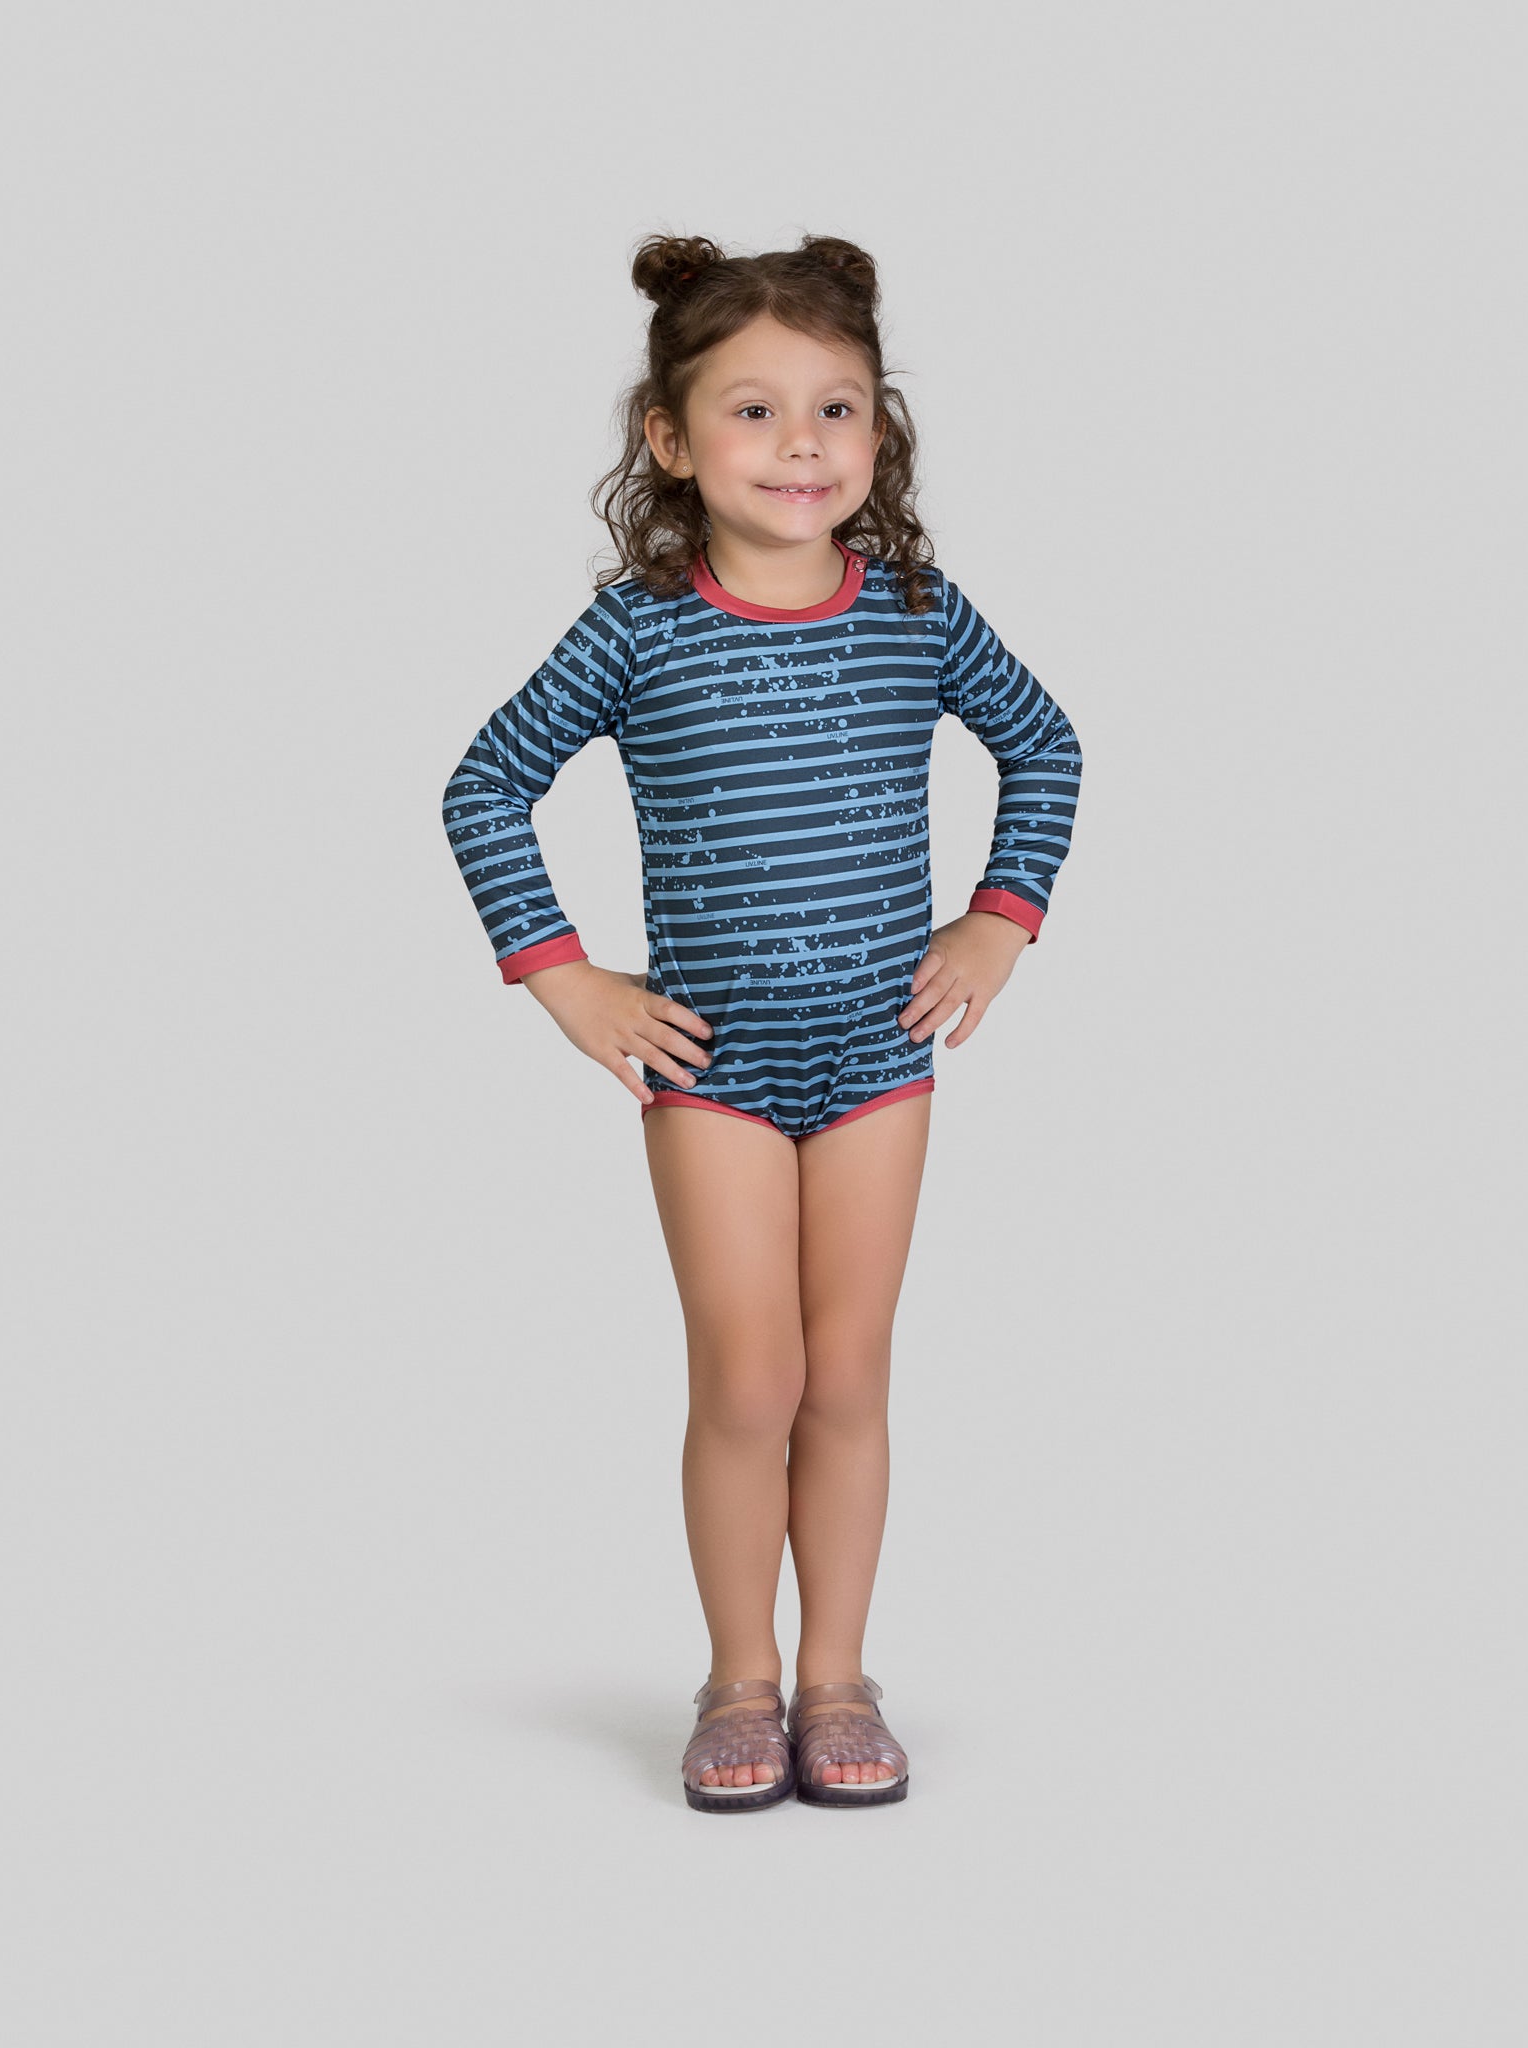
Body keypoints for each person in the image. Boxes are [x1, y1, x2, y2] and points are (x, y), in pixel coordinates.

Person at [441, 232, 1083, 1811]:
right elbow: (486, 785)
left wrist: (998, 920)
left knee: (848, 1376)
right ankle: (739, 1676)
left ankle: (838, 1675)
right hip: (714, 1070)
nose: (801, 444)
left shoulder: (915, 607)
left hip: (877, 1060)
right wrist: (566, 974)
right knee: (750, 1381)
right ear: (670, 440)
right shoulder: (638, 628)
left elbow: (1045, 745)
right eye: (754, 411)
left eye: (835, 408)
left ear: (880, 432)